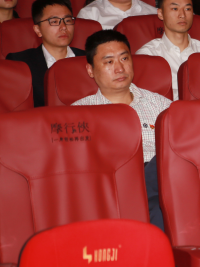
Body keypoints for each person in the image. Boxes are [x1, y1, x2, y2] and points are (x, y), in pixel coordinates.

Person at [72, 30, 172, 231]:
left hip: (159, 181)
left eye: (124, 58)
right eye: (109, 62)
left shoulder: (161, 105)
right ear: (90, 70)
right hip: (110, 185)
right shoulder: (78, 114)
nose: (119, 68)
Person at [136, 0, 200, 100]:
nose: (182, 15)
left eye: (187, 9)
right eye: (175, 9)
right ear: (161, 13)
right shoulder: (148, 56)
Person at [6, 0, 85, 107]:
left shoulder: (89, 59)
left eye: (67, 20)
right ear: (38, 30)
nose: (63, 27)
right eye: (54, 21)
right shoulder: (20, 63)